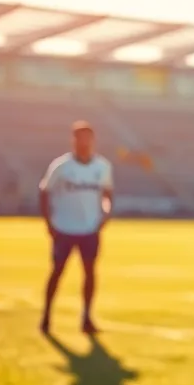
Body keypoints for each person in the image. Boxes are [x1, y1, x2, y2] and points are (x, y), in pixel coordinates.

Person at [39, 121, 113, 335]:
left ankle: (87, 317)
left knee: (90, 272)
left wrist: (105, 213)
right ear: (74, 140)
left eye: (88, 138)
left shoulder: (102, 166)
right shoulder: (62, 166)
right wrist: (49, 222)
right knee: (57, 271)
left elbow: (107, 193)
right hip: (64, 227)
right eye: (80, 138)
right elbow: (45, 191)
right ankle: (46, 316)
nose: (85, 142)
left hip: (90, 229)